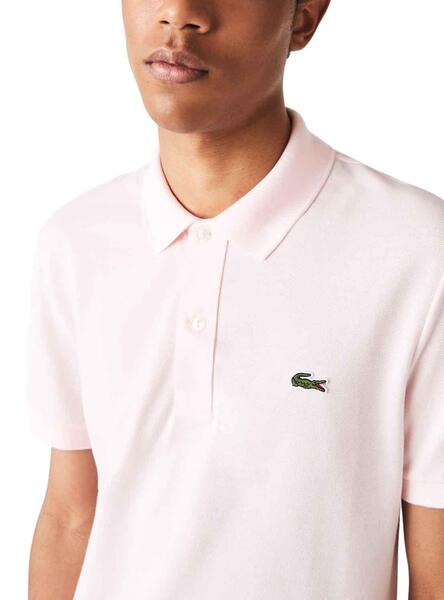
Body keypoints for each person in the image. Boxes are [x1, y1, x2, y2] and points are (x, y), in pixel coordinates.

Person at [26, 0, 444, 598]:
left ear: (303, 18)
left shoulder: (417, 250)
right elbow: (71, 517)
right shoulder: (76, 242)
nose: (179, 13)